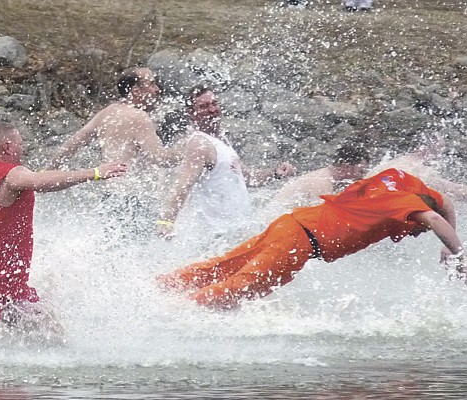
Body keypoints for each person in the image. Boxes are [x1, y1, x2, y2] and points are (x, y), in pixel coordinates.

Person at [159, 168, 466, 309]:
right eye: (417, 228)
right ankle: (171, 314)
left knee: (223, 267)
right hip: (300, 243)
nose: (414, 233)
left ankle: (158, 288)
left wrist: (444, 245)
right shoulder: (405, 206)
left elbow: (443, 204)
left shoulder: (402, 181)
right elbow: (435, 216)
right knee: (237, 289)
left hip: (292, 223)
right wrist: (459, 253)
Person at [0, 122, 127, 327]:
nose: (23, 148)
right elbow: (40, 180)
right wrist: (94, 172)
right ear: (7, 147)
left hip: (9, 286)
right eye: (20, 143)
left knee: (48, 326)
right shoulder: (11, 174)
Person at [157, 85, 296, 240]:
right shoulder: (199, 144)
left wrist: (275, 173)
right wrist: (166, 222)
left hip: (236, 231)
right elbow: (182, 186)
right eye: (204, 107)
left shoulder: (221, 140)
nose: (212, 110)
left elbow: (247, 177)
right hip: (215, 236)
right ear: (192, 113)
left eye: (214, 104)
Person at [49, 66, 179, 169]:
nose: (157, 89)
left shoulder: (108, 112)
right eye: (151, 84)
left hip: (109, 194)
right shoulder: (138, 116)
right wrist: (185, 151)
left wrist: (48, 172)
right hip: (131, 197)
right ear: (136, 91)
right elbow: (160, 159)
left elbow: (71, 145)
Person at [264, 142, 371, 215]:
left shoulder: (327, 176)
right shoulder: (322, 182)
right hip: (270, 227)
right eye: (360, 172)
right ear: (347, 167)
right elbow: (319, 218)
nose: (361, 178)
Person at [368, 136, 467, 202]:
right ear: (425, 147)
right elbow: (453, 189)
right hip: (395, 203)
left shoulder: (391, 162)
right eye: (440, 148)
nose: (440, 154)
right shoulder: (417, 168)